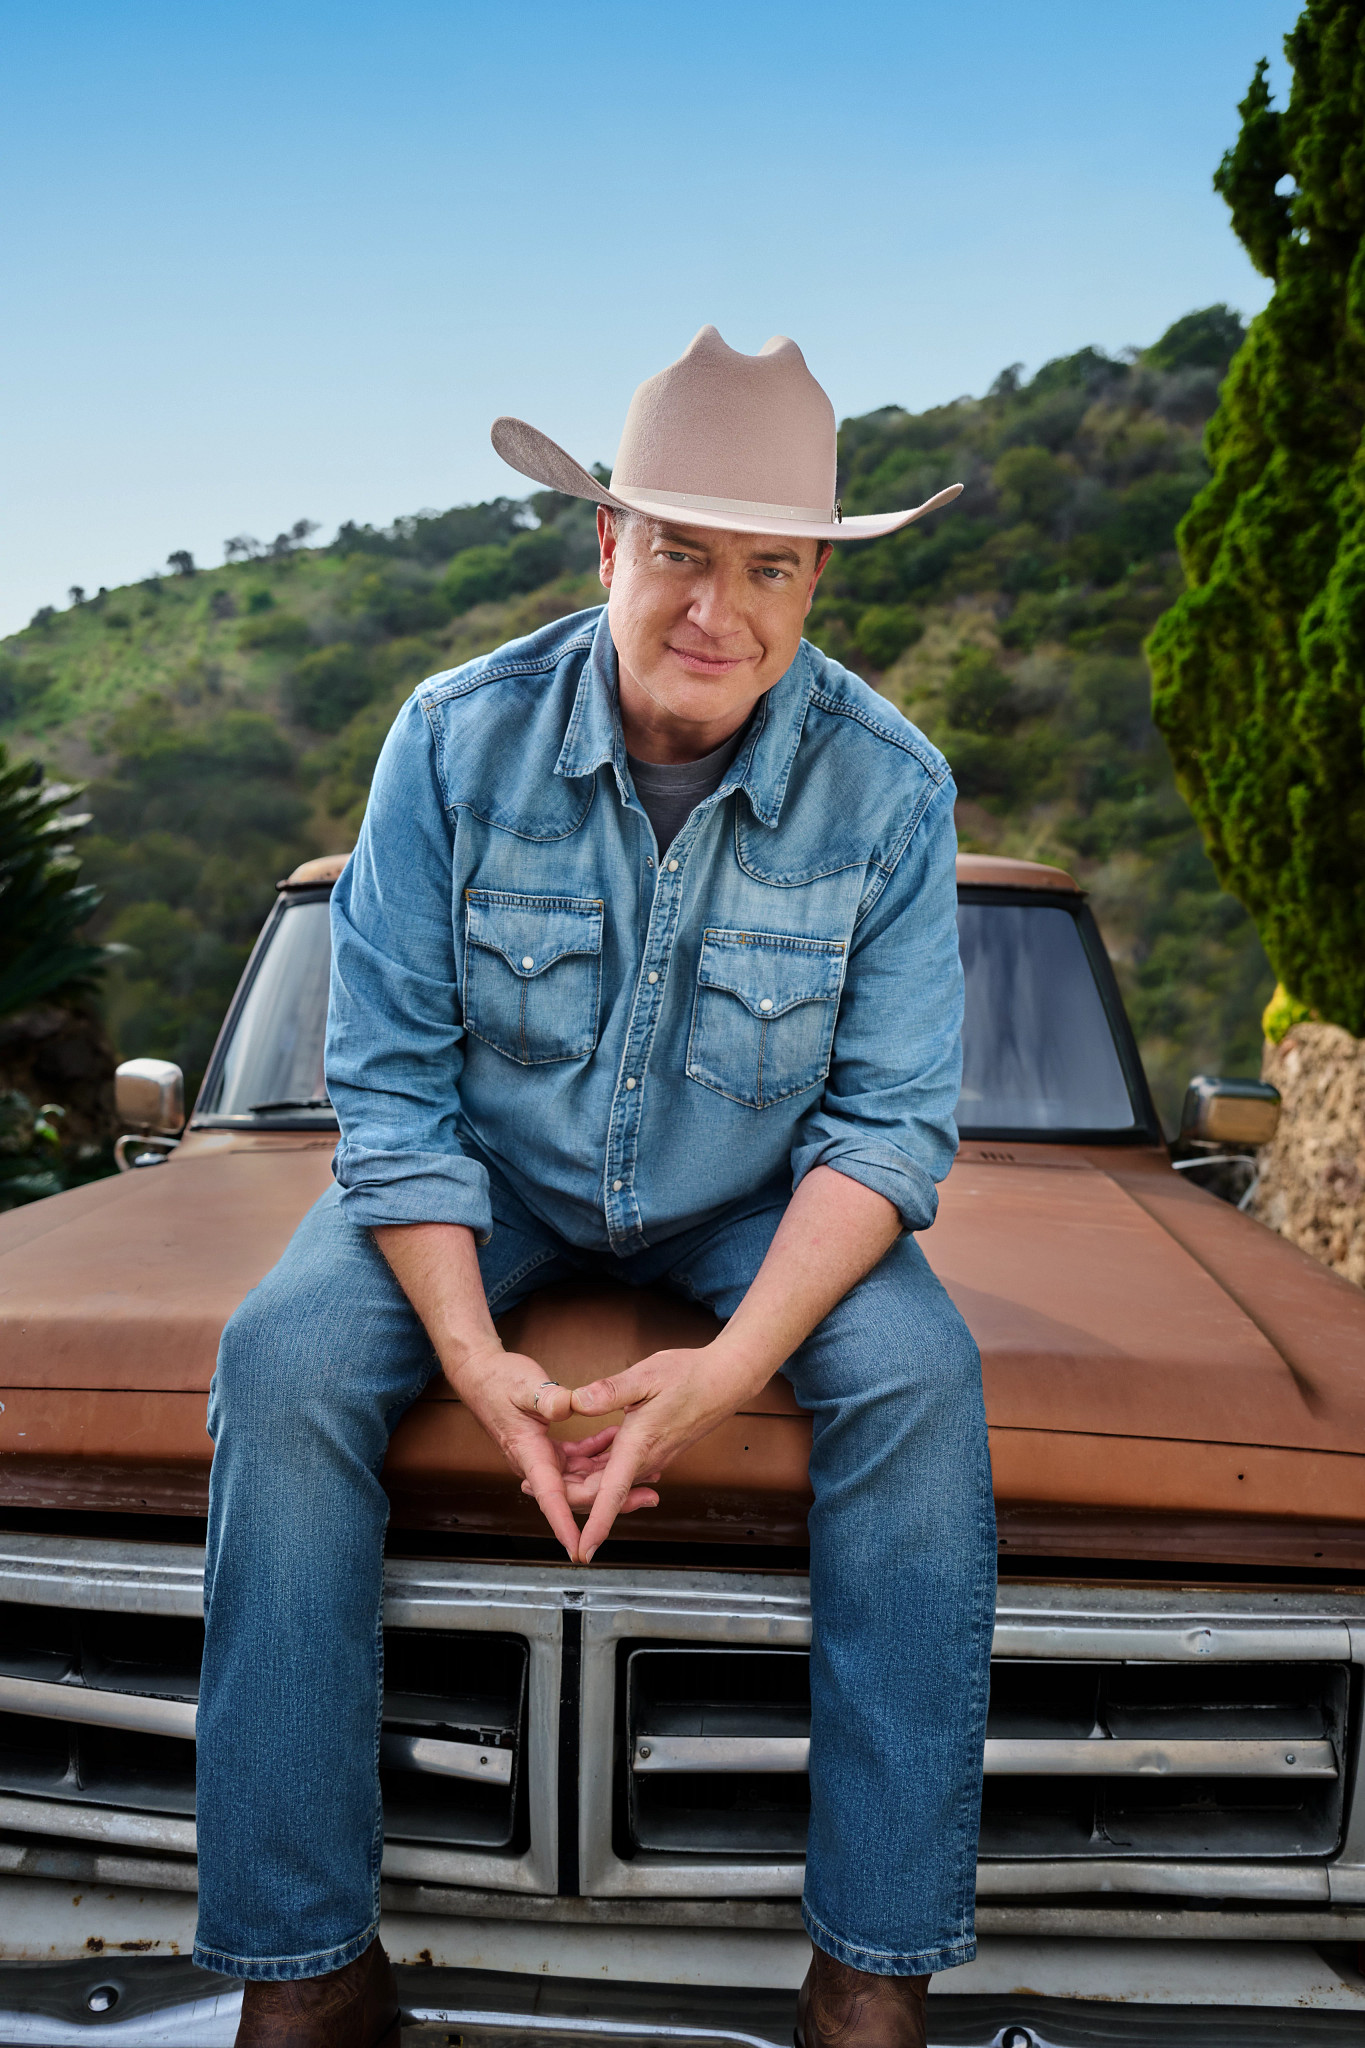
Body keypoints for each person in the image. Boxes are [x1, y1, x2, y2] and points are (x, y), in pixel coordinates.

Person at [193, 326, 996, 2048]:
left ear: (813, 586)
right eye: (681, 553)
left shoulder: (893, 790)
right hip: (479, 1180)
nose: (720, 608)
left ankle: (873, 1969)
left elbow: (885, 1132)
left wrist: (720, 1373)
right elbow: (391, 1089)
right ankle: (306, 1965)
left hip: (752, 1198)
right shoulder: (448, 741)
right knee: (281, 1360)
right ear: (606, 548)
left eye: (769, 565)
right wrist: (475, 1362)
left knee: (924, 1379)